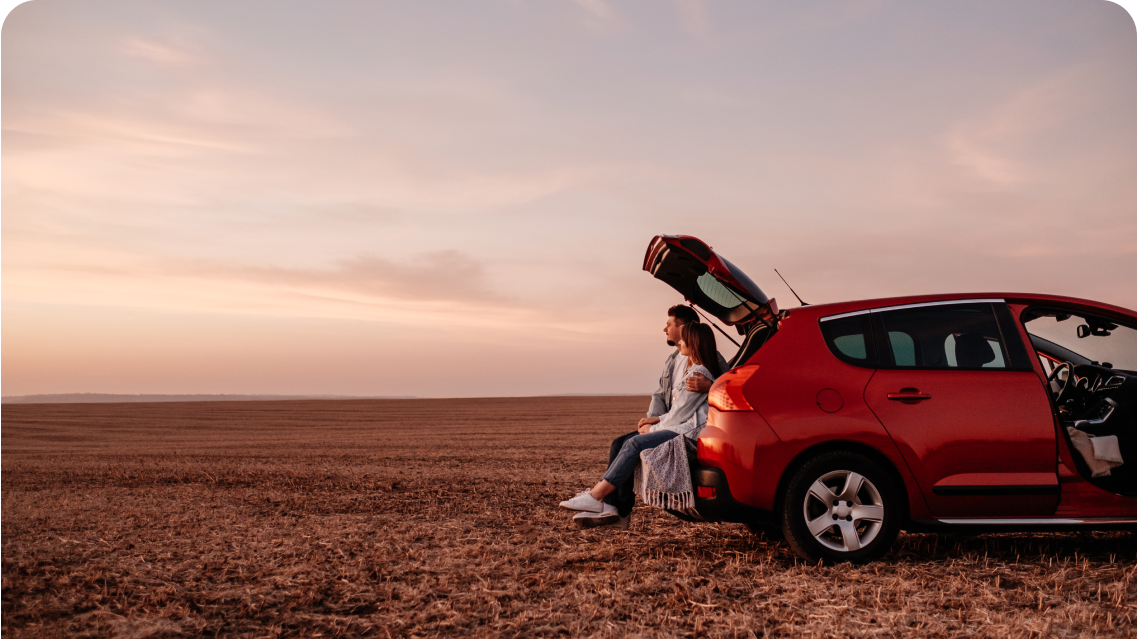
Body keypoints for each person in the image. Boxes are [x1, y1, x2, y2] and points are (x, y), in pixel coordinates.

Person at [559, 320, 723, 528]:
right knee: (627, 443)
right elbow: (677, 411)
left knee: (635, 444)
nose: (680, 342)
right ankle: (607, 505)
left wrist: (651, 430)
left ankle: (596, 496)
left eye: (684, 338)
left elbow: (679, 415)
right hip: (681, 426)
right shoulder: (693, 370)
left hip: (688, 432)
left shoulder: (699, 374)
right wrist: (656, 420)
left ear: (694, 342)